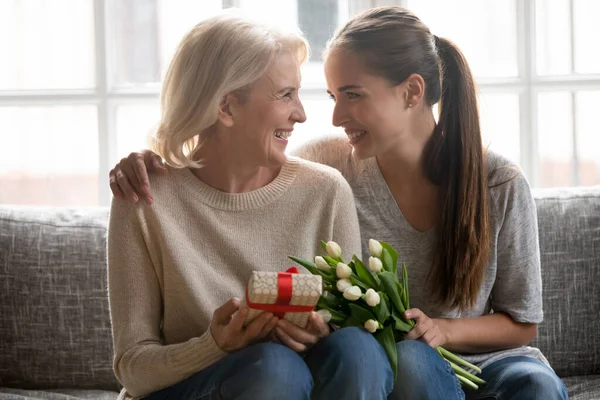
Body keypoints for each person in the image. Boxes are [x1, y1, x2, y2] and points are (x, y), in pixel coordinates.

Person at [110, 6, 568, 400]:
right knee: (394, 359)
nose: (320, 115)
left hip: (483, 361)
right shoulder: (327, 167)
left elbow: (522, 321)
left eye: (352, 95)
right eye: (327, 96)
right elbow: (232, 155)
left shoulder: (495, 182)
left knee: (528, 383)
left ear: (412, 92)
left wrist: (440, 330)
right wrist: (156, 157)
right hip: (397, 362)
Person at [107, 10, 394, 400]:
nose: (302, 114)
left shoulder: (325, 192)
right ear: (225, 108)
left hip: (296, 381)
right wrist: (215, 345)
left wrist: (319, 333)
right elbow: (133, 369)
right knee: (274, 368)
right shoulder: (143, 199)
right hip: (193, 388)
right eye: (285, 95)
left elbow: (347, 337)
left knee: (358, 351)